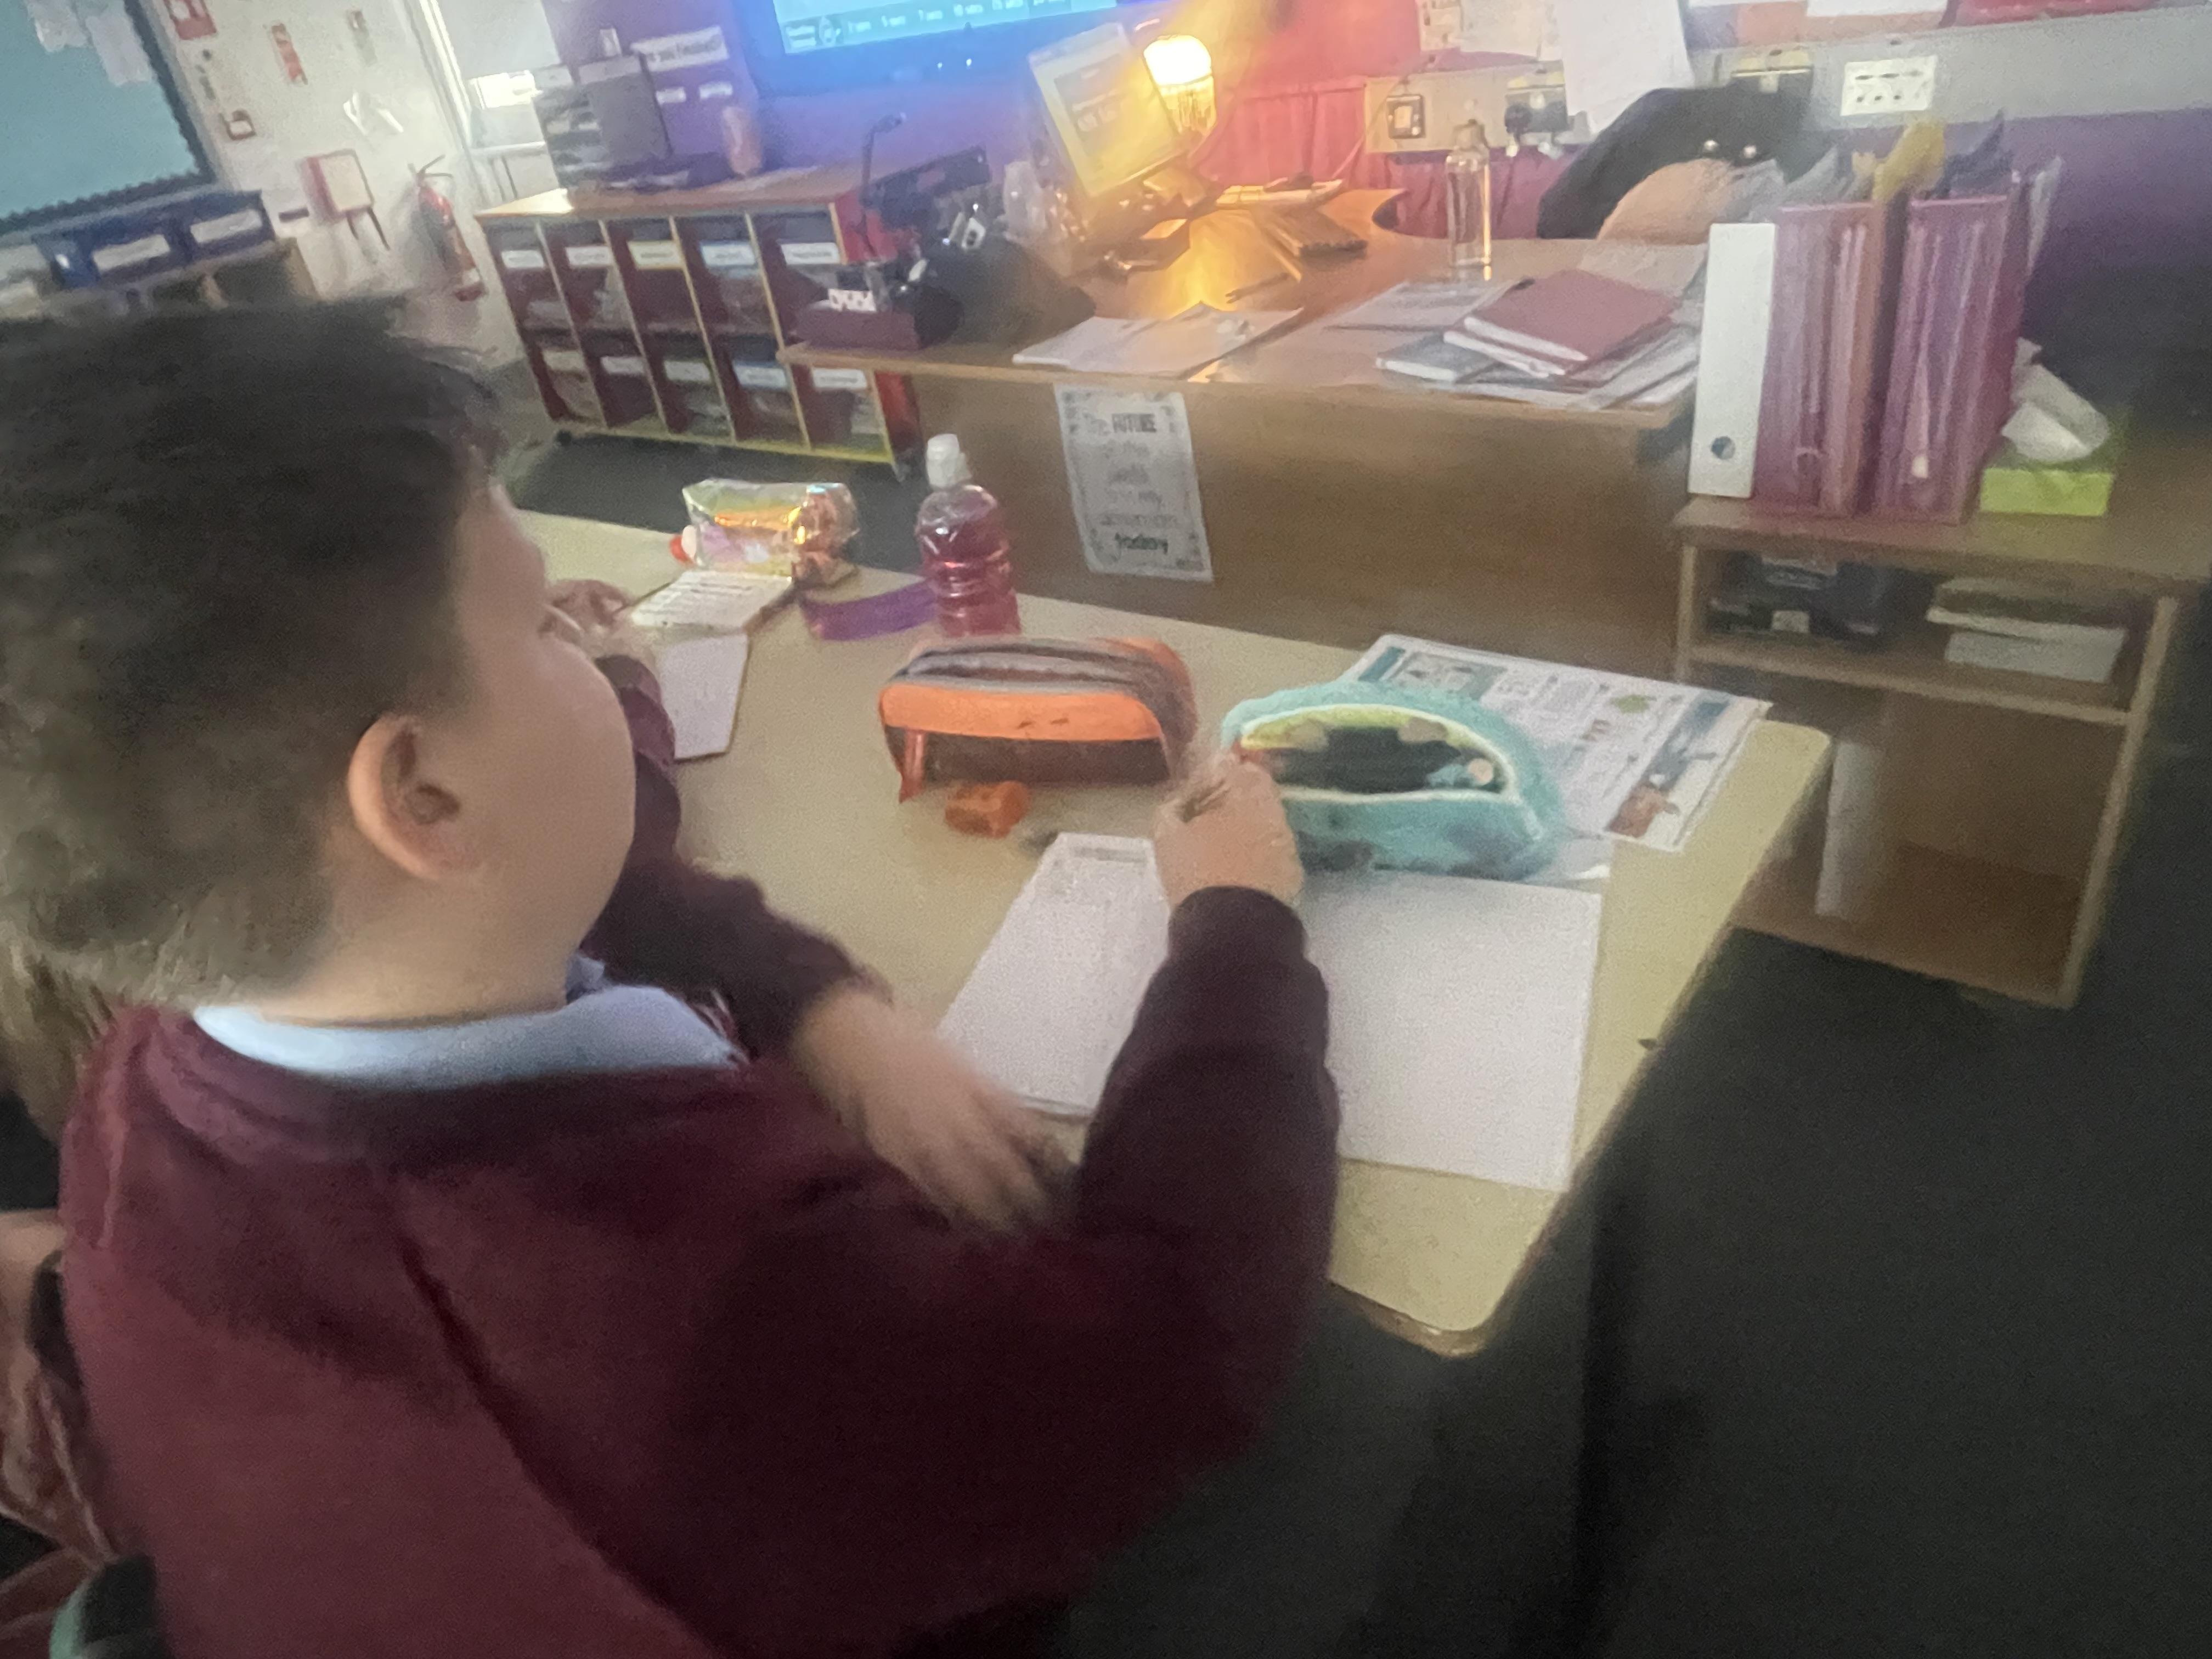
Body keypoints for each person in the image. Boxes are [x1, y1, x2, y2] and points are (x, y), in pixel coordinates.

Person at [0, 304, 1340, 1659]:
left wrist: (822, 1007)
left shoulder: (137, 1092)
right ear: (423, 794)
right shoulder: (697, 1308)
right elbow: (1177, 1346)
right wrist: (1234, 925)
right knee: (1361, 1423)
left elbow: (583, 872)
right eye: (542, 624)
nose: (582, 643)